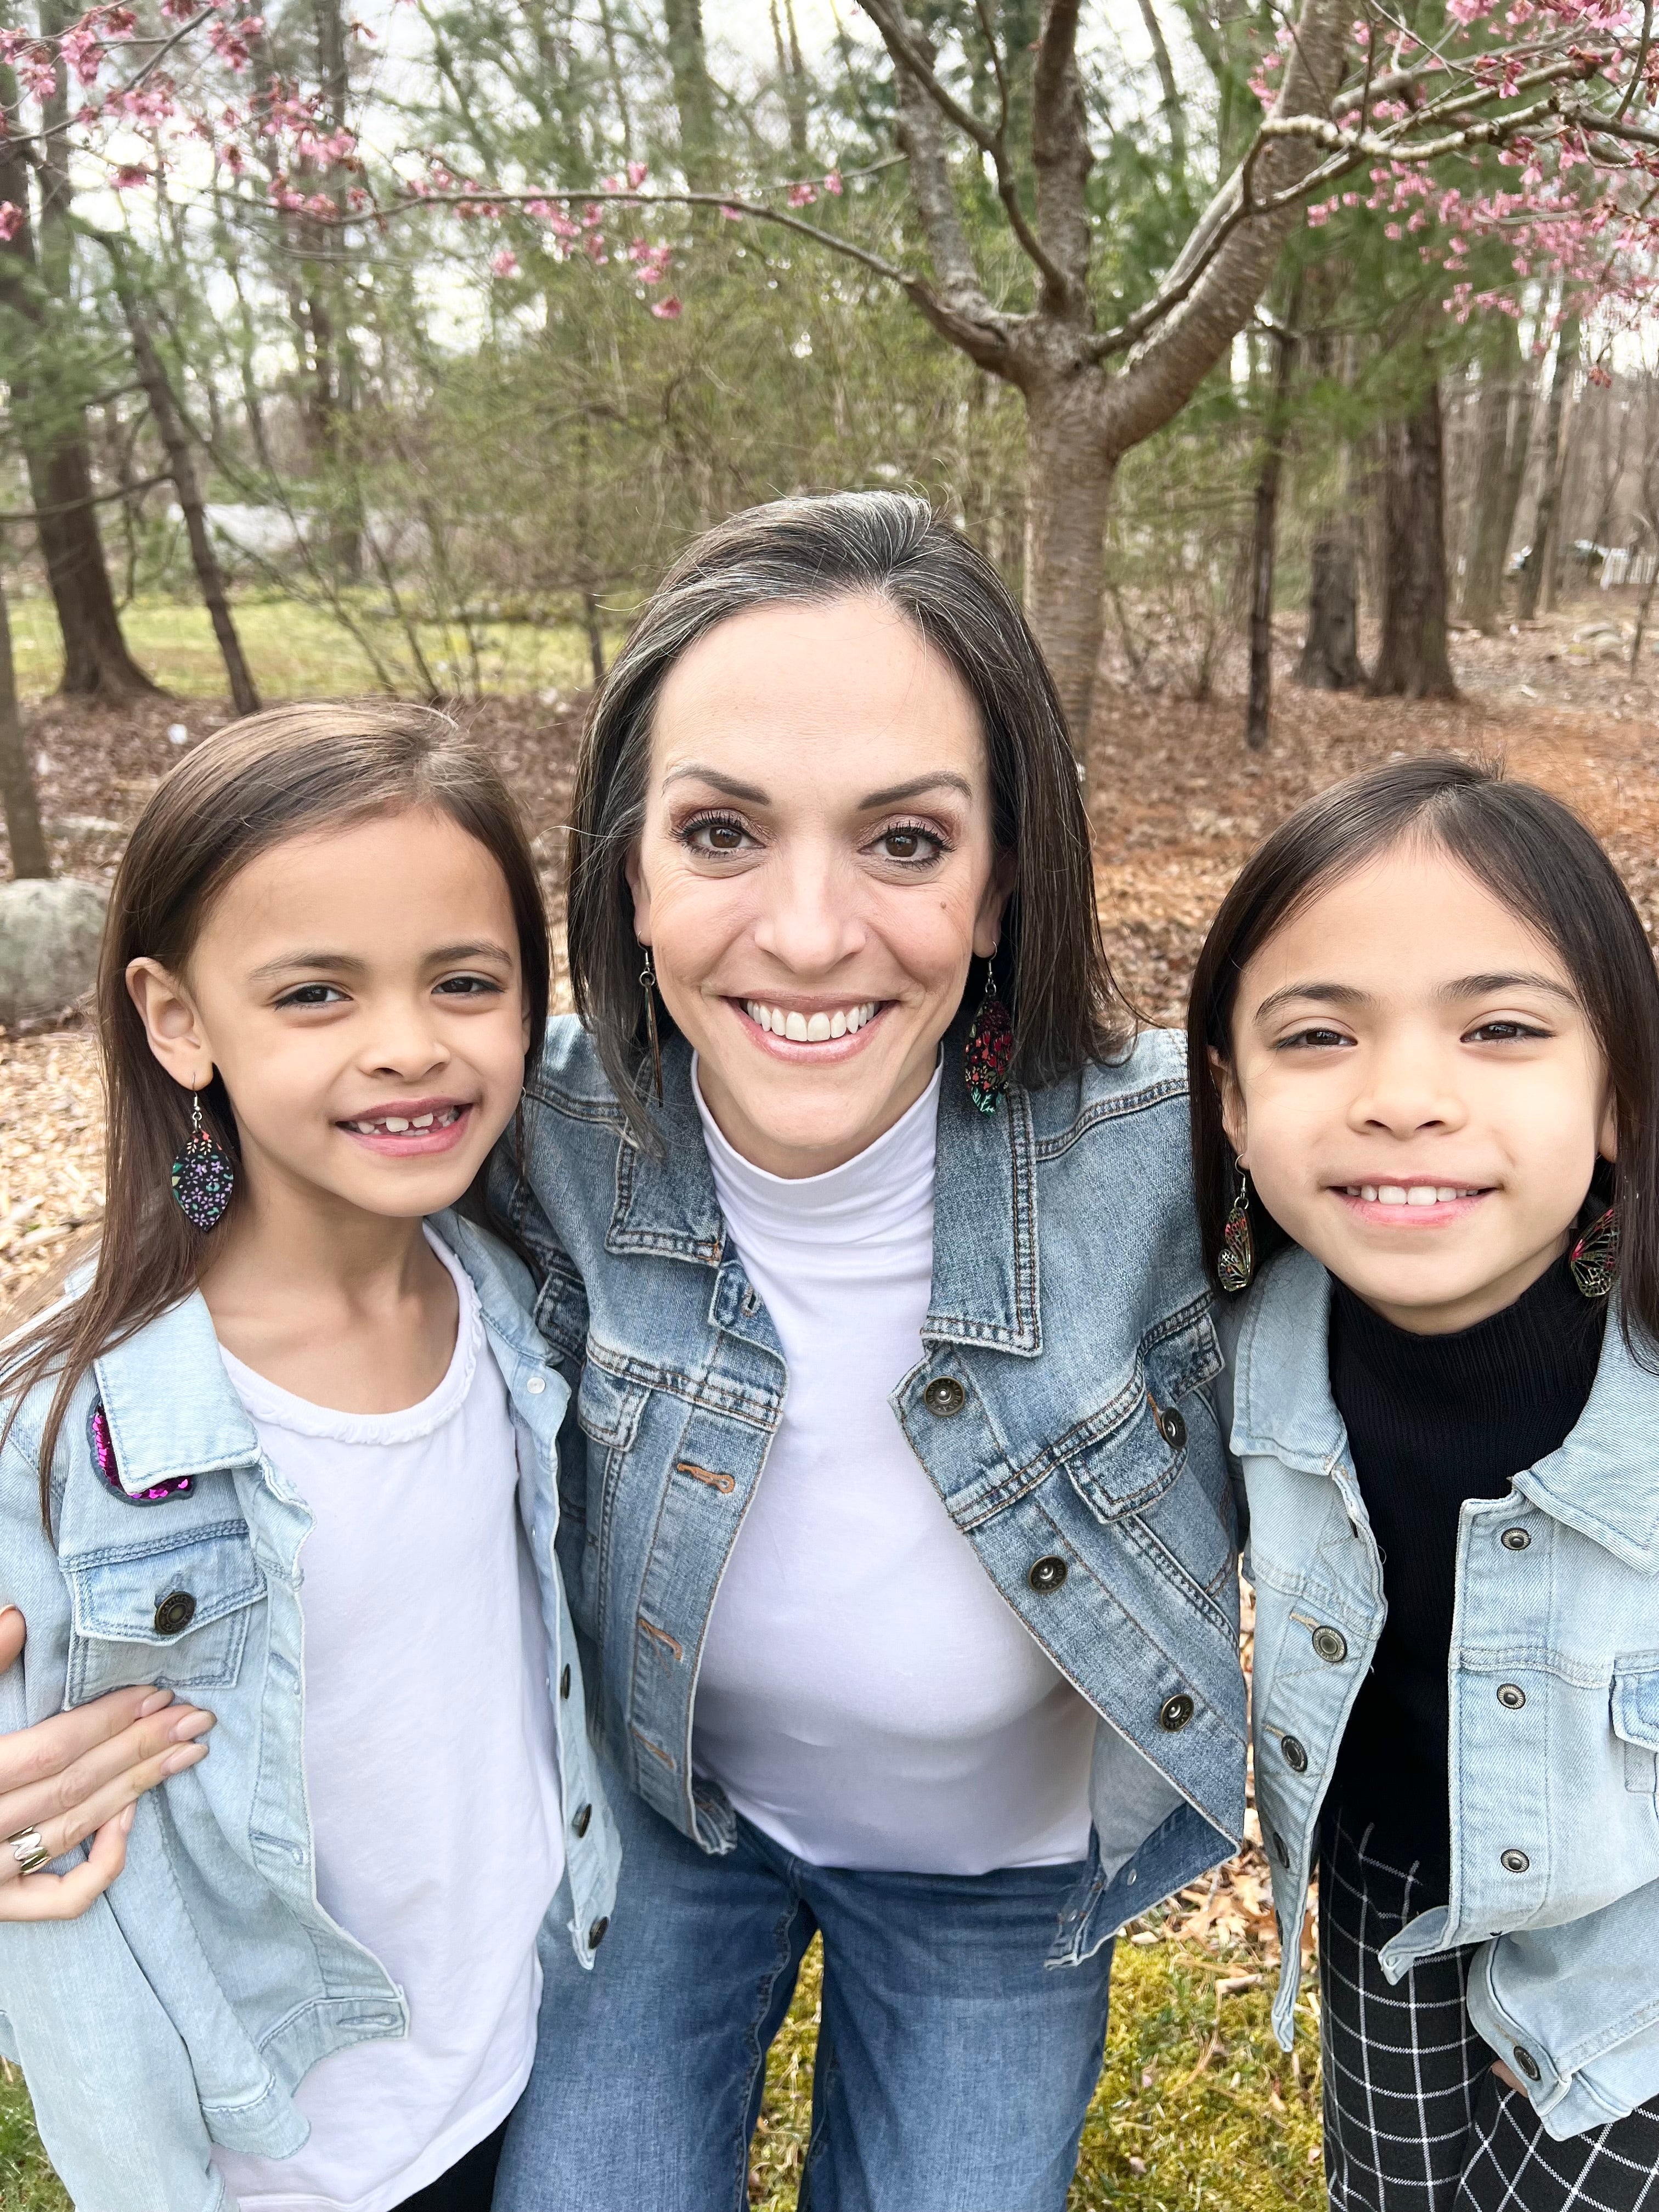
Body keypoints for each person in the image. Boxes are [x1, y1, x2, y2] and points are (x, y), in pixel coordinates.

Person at [487, 491, 1248, 2212]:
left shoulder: (1171, 1164)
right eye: (723, 834)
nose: (813, 931)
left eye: (905, 842)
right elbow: (217, 1228)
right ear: (632, 873)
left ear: (998, 888)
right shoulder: (530, 1126)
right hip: (671, 1816)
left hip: (998, 1881)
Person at [0, 703, 616, 2212]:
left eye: (464, 982)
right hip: (280, 2155)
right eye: (314, 994)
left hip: (524, 2052)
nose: (409, 1044)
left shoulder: (509, 1307)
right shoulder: (81, 1428)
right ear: (177, 1018)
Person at [1189, 755, 1659, 2211]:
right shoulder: (1242, 1336)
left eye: (1502, 1029)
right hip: (1385, 1887)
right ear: (1229, 1099)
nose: (1403, 1099)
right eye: (1320, 1035)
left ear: (1619, 1099)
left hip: (1631, 1966)